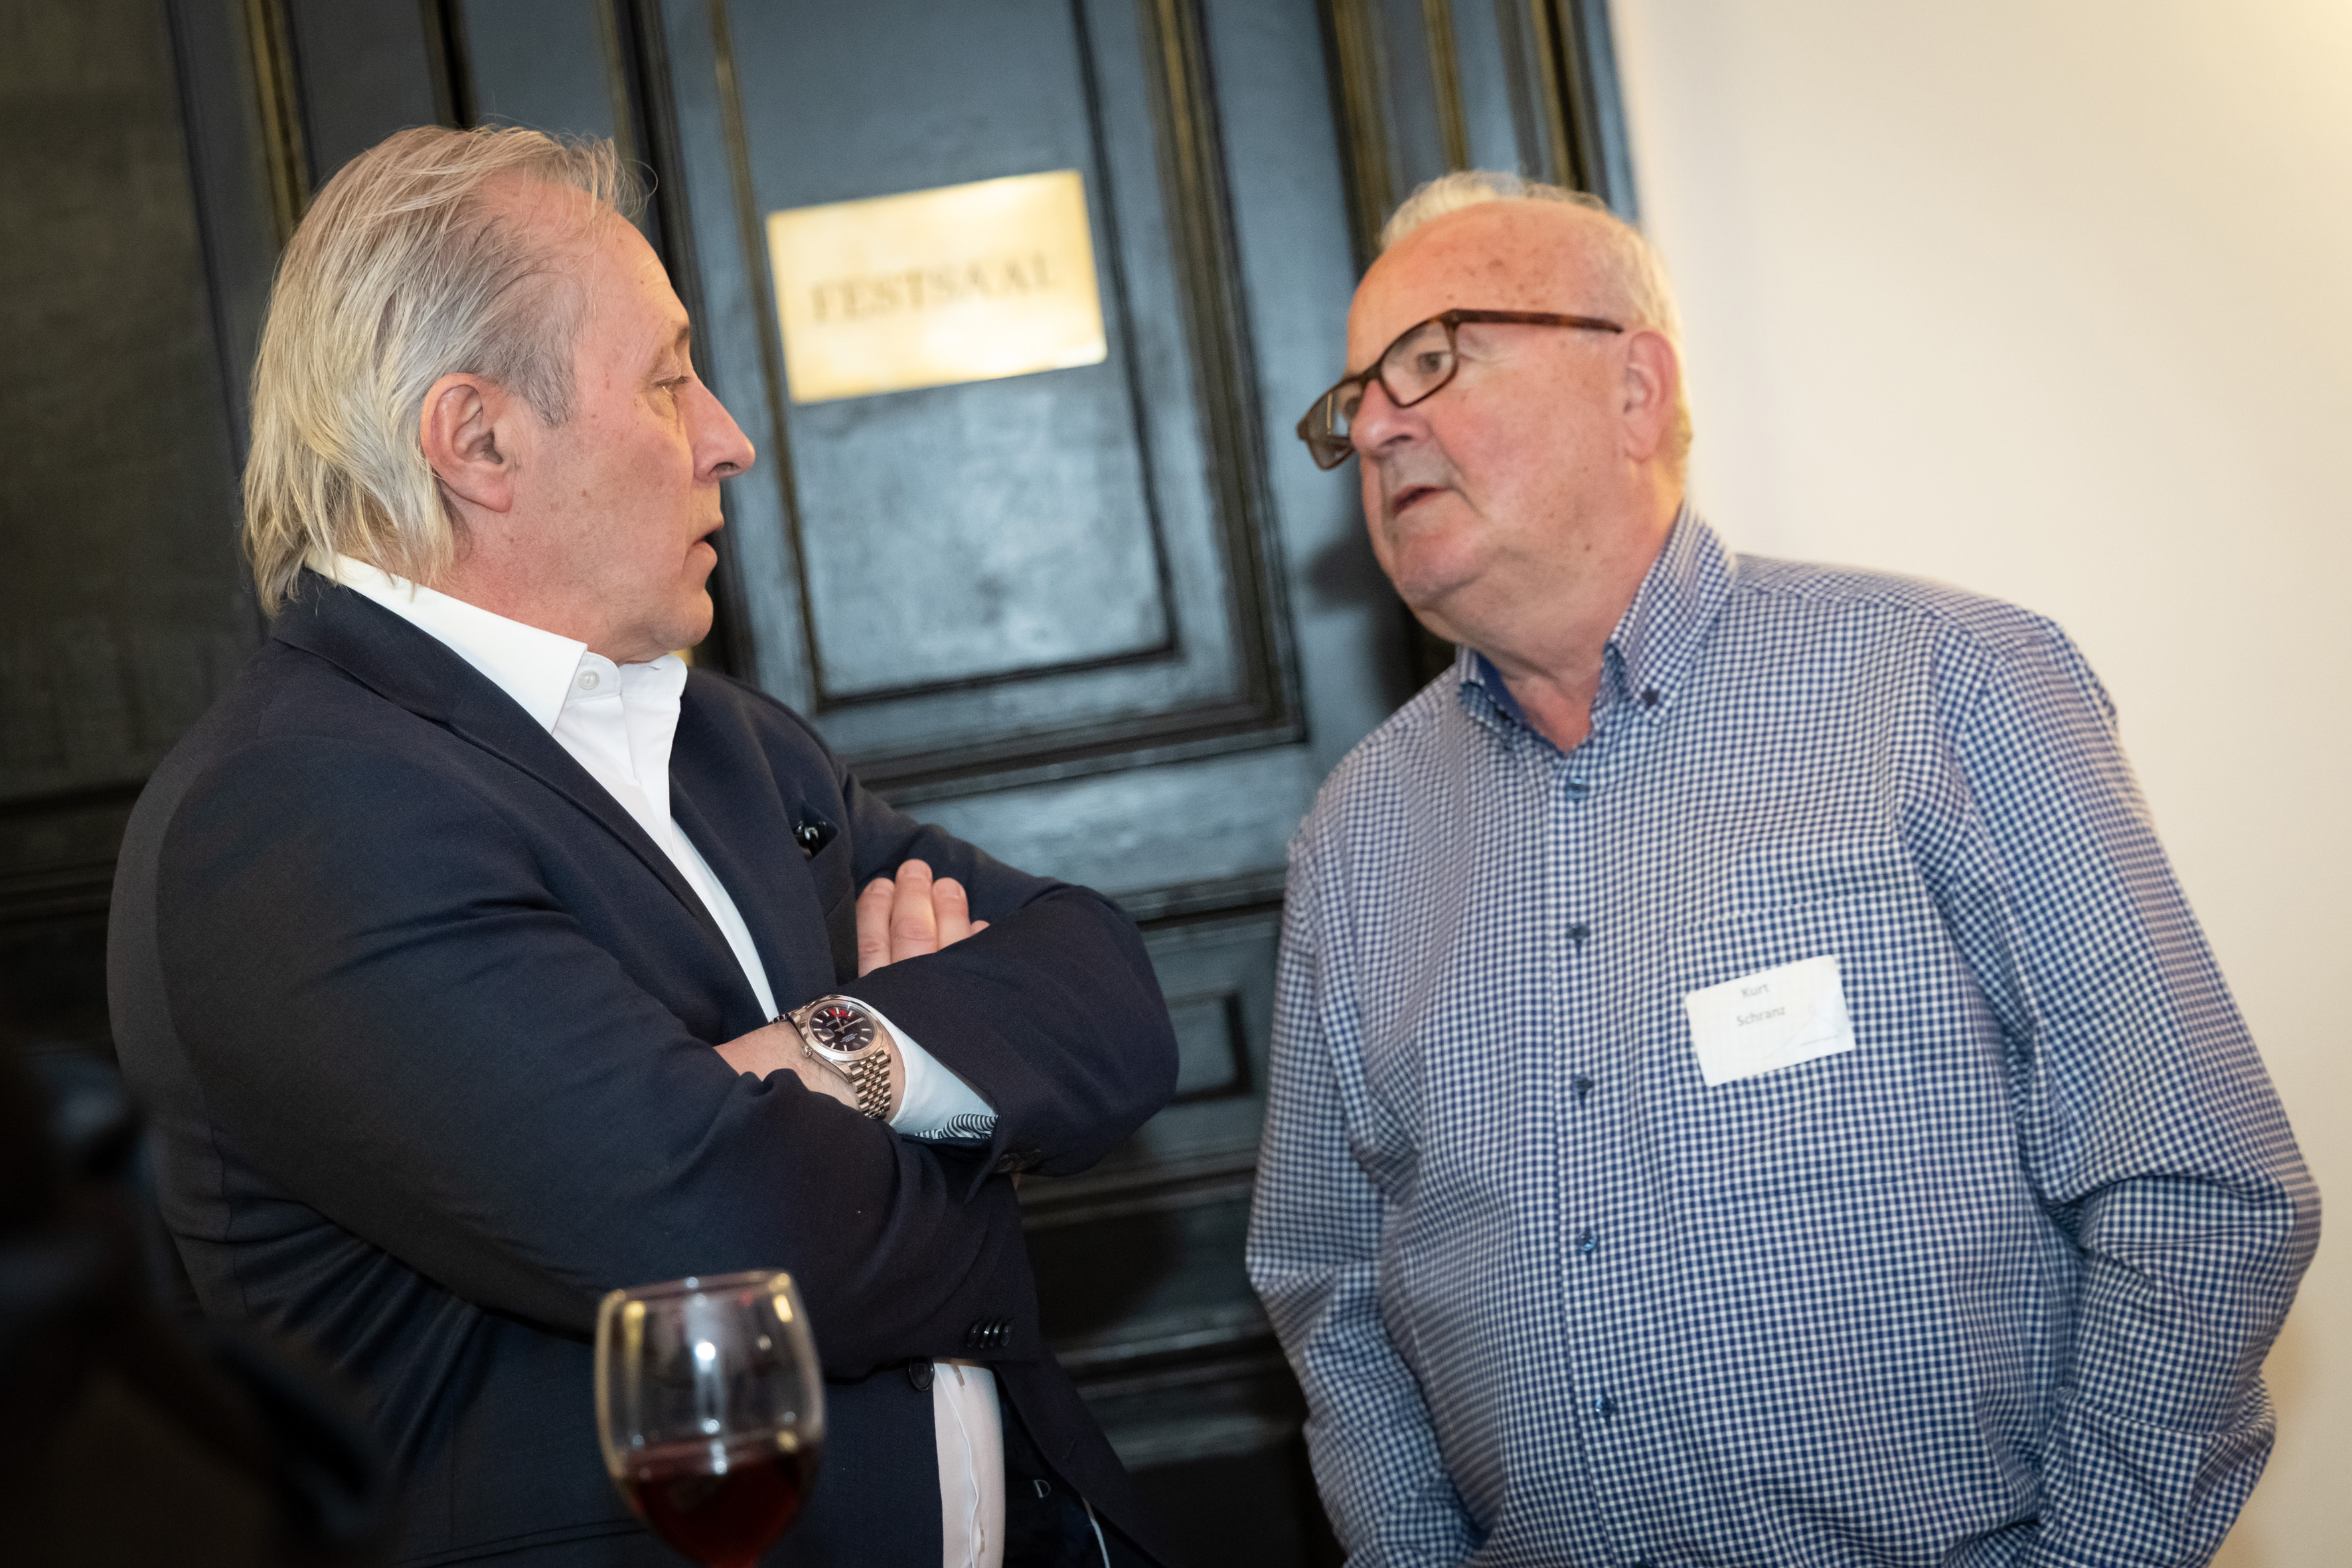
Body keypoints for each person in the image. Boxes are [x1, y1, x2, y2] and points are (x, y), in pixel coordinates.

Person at [108, 126, 1178, 1568]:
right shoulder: (297, 808)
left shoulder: (720, 735)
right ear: (477, 440)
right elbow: (733, 1237)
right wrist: (965, 1124)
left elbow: (1106, 988)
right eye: (670, 380)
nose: (729, 435)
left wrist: (837, 1051)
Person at [1247, 170, 2317, 1567]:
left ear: (1634, 389)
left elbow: (2198, 1188)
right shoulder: (1355, 834)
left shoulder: (1949, 691)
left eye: (1432, 359)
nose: (1380, 426)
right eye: (1356, 400)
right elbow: (1328, 1283)